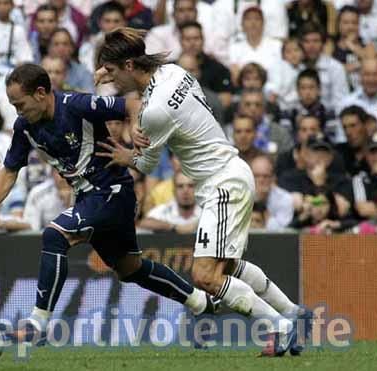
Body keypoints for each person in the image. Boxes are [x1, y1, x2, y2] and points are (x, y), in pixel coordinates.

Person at [0, 63, 218, 345]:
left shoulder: (76, 105)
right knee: (130, 268)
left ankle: (38, 324)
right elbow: (10, 169)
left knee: (55, 234)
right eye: (13, 105)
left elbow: (132, 104)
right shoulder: (25, 126)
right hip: (90, 199)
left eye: (20, 104)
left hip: (112, 192)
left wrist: (134, 128)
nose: (17, 111)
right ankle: (200, 303)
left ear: (40, 93)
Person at [95, 27, 306, 356]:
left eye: (110, 71)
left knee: (205, 276)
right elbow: (146, 102)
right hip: (229, 175)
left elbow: (147, 164)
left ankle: (280, 326)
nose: (107, 78)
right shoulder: (173, 71)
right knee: (229, 265)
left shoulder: (155, 112)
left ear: (129, 65)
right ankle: (293, 312)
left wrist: (127, 154)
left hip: (222, 183)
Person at [0, 0, 33, 68]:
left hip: (14, 69)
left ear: (12, 6)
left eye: (6, 3)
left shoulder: (18, 30)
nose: (2, 7)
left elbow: (25, 55)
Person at [250, 155, 294, 231]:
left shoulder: (285, 198)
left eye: (265, 176)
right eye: (256, 176)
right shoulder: (240, 196)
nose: (261, 180)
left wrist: (262, 207)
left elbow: (281, 232)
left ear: (273, 177)